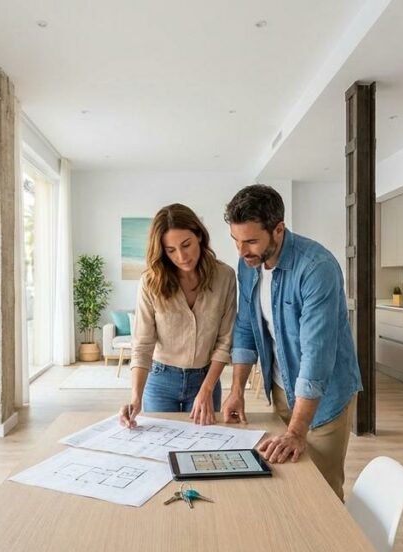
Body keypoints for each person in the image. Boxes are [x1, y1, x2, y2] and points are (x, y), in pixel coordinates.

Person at [221, 184, 362, 502]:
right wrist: (236, 390)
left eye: (251, 241)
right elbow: (246, 327)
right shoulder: (249, 264)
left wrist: (297, 431)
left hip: (324, 397)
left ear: (278, 229)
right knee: (289, 485)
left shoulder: (317, 268)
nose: (241, 252)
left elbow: (316, 356)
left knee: (322, 492)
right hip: (282, 389)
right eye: (236, 241)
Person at [118, 203, 237, 428]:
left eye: (186, 245)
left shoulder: (225, 276)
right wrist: (135, 397)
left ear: (199, 236)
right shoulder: (150, 282)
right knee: (158, 445)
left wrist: (207, 390)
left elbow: (225, 341)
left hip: (206, 379)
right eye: (170, 250)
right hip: (160, 379)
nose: (181, 256)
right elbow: (142, 344)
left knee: (204, 443)